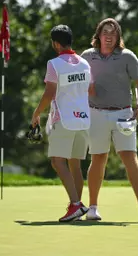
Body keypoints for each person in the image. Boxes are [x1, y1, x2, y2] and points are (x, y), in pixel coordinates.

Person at [81, 18, 138, 221]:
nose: (109, 37)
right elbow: (77, 79)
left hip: (124, 114)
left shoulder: (127, 56)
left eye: (113, 33)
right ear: (99, 35)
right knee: (98, 158)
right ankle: (93, 207)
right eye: (105, 32)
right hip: (96, 113)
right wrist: (86, 88)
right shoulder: (87, 56)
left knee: (130, 157)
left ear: (118, 37)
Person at [31, 25, 91, 222]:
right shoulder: (84, 64)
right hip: (83, 120)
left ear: (56, 44)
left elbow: (49, 93)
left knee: (57, 161)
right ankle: (77, 207)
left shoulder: (54, 63)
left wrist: (36, 113)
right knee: (75, 165)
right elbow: (90, 90)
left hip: (63, 119)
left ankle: (75, 205)